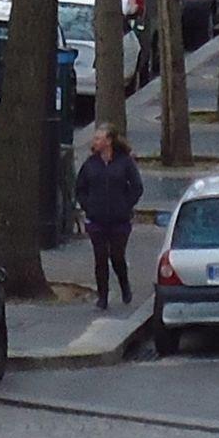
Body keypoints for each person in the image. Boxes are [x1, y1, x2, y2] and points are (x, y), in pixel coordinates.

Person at [75, 129, 145, 309]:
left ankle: (124, 285)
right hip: (96, 219)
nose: (95, 141)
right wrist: (87, 205)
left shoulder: (125, 162)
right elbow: (80, 188)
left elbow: (137, 187)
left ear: (109, 141)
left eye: (99, 138)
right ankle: (103, 296)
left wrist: (125, 205)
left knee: (117, 256)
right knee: (100, 258)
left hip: (119, 220)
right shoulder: (90, 164)